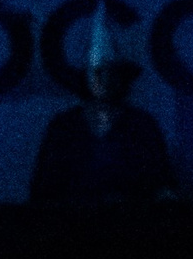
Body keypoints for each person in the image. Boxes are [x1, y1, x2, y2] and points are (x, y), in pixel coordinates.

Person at [29, 11, 176, 203]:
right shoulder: (63, 126)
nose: (105, 80)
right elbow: (43, 187)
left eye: (112, 73)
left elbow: (161, 181)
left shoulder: (142, 125)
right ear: (86, 77)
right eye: (98, 73)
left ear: (122, 78)